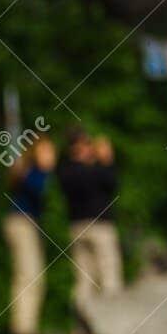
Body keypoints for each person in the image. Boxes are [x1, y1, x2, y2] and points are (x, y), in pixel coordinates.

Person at [58, 130, 123, 308]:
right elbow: (111, 182)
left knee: (84, 281)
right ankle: (113, 324)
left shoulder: (65, 171)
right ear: (80, 147)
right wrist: (107, 160)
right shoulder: (94, 171)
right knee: (109, 276)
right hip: (100, 227)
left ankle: (81, 328)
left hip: (77, 228)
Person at [2, 137, 53, 334]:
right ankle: (22, 330)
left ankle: (26, 327)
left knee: (32, 276)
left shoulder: (31, 172)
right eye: (47, 152)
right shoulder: (33, 173)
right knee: (29, 276)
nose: (52, 156)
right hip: (21, 223)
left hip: (26, 223)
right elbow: (36, 187)